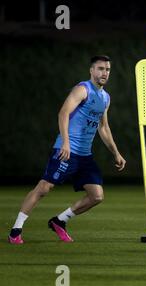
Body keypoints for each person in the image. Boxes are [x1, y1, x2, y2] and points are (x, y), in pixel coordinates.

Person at [8, 55, 126, 244]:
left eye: (107, 69)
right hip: (66, 150)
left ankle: (59, 221)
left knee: (97, 196)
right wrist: (65, 143)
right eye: (101, 68)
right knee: (44, 188)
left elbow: (103, 127)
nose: (104, 73)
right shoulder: (82, 89)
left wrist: (116, 153)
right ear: (92, 70)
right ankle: (15, 230)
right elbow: (63, 113)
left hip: (84, 156)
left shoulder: (105, 98)